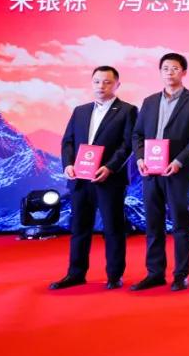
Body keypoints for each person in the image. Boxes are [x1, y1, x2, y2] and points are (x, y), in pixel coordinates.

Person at [50, 66, 138, 290]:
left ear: (117, 85)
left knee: (113, 228)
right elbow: (68, 141)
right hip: (80, 179)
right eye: (97, 81)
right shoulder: (80, 111)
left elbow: (127, 145)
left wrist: (110, 167)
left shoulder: (127, 110)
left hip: (109, 180)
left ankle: (114, 276)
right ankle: (75, 274)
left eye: (107, 82)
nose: (101, 86)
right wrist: (68, 164)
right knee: (79, 228)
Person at [130, 53, 189, 292]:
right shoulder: (150, 101)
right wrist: (140, 157)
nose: (169, 72)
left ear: (184, 72)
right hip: (150, 172)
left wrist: (178, 161)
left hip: (177, 171)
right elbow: (137, 134)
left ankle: (181, 274)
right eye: (165, 68)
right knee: (153, 223)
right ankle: (154, 273)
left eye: (174, 68)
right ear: (160, 72)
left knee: (181, 223)